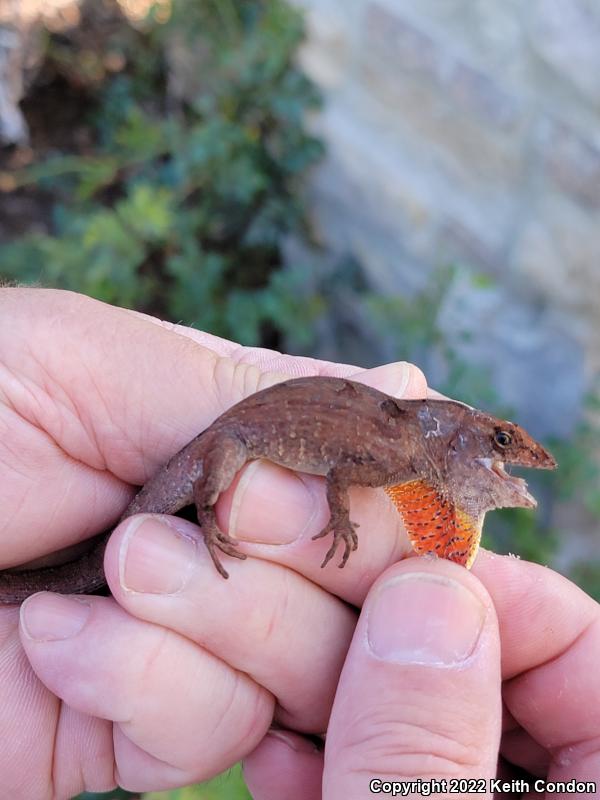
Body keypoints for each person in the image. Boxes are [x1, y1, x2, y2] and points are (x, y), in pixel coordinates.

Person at [0, 287, 598, 800]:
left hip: (237, 439)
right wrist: (276, 520)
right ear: (460, 431)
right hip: (226, 442)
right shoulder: (399, 452)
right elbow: (339, 475)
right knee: (104, 565)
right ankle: (204, 519)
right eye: (499, 441)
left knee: (94, 578)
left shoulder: (410, 449)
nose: (516, 455)